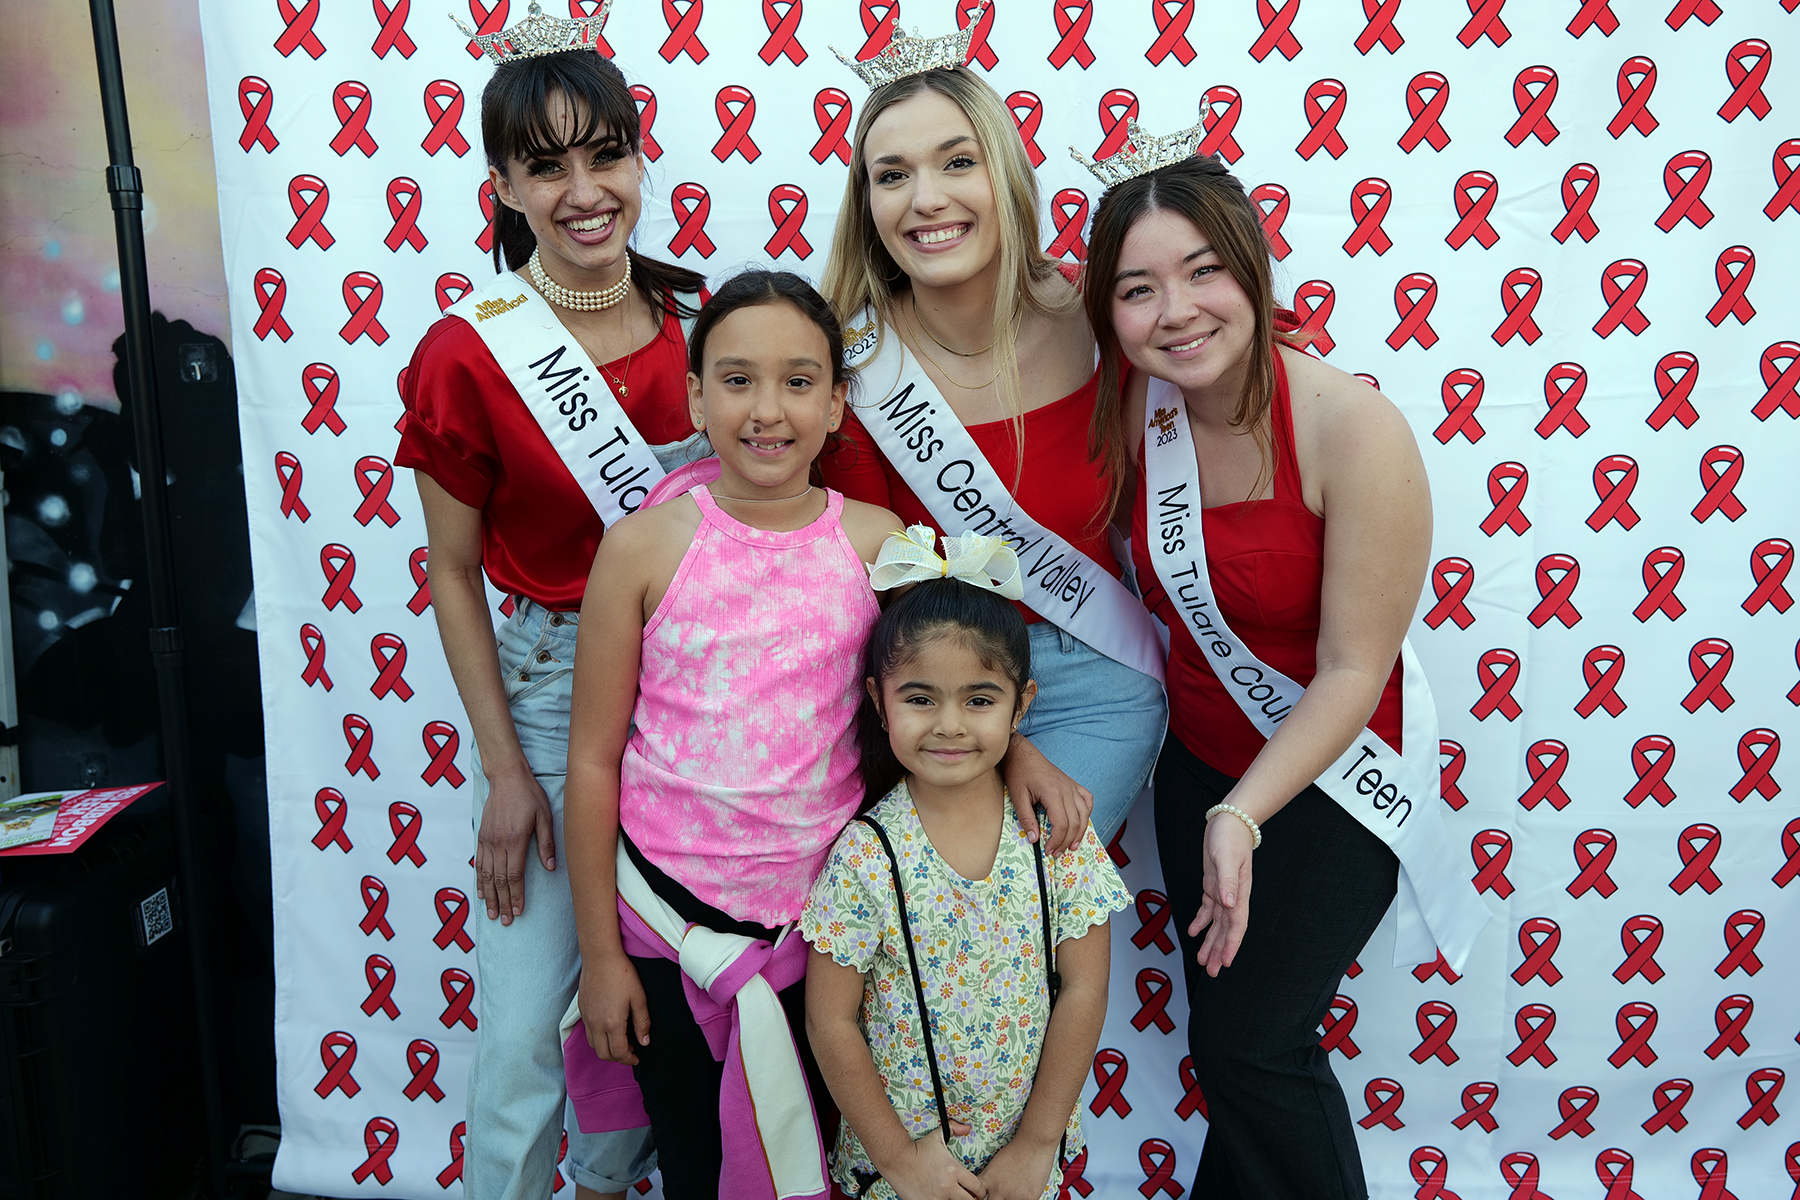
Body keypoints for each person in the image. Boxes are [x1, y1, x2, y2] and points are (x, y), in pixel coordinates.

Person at [1078, 135, 1489, 1198]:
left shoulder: (1357, 430)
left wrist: (1242, 814)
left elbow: (1355, 671)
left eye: (1203, 270)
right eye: (1138, 288)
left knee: (1253, 1050)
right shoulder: (1135, 404)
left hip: (1333, 785)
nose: (1175, 311)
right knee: (1233, 1048)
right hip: (1200, 771)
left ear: (1254, 268)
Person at [395, 10, 706, 1196]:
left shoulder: (700, 330)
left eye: (605, 153)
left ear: (637, 157)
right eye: (546, 164)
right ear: (503, 186)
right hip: (540, 689)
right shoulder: (466, 354)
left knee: (639, 1019)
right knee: (530, 1024)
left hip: (684, 704)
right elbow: (452, 571)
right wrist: (506, 773)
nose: (585, 189)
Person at [561, 270, 904, 1200]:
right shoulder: (643, 547)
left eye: (800, 382)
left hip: (824, 934)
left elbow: (945, 706)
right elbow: (591, 760)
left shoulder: (878, 544)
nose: (768, 409)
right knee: (695, 1165)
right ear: (694, 393)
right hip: (666, 933)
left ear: (838, 404)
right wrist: (600, 956)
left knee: (820, 1157)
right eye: (738, 378)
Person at [819, 26, 1165, 846]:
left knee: (1019, 915)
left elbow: (1220, 353)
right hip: (928, 693)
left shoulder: (1098, 315)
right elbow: (874, 588)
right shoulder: (850, 364)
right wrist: (995, 740)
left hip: (1094, 677)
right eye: (892, 175)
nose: (926, 198)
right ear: (867, 203)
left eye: (957, 162)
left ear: (1005, 176)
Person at [803, 553, 1127, 1200]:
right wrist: (900, 1161)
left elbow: (1084, 991)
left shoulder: (1059, 839)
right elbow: (830, 1022)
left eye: (979, 699)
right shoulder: (868, 856)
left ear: (1020, 705)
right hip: (903, 1177)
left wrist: (1037, 1143)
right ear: (878, 700)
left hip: (1025, 1168)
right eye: (920, 698)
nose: (949, 724)